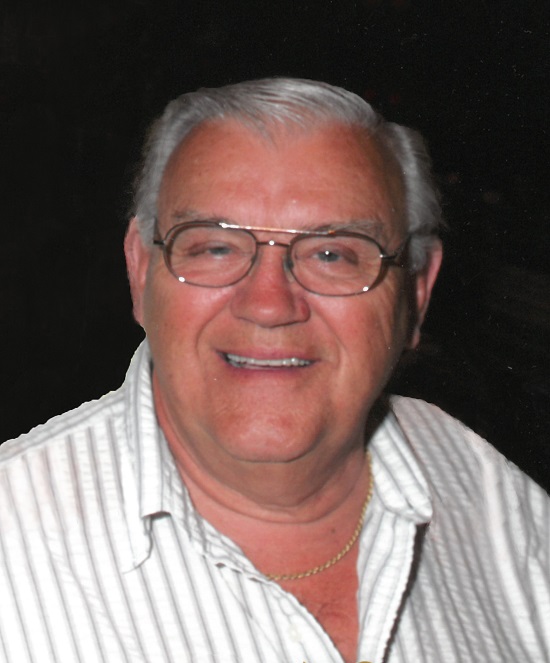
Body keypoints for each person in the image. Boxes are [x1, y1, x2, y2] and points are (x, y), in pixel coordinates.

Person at [0, 78, 548, 663]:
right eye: (214, 247)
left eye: (333, 254)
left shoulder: (491, 495)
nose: (268, 304)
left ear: (416, 292)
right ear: (140, 271)